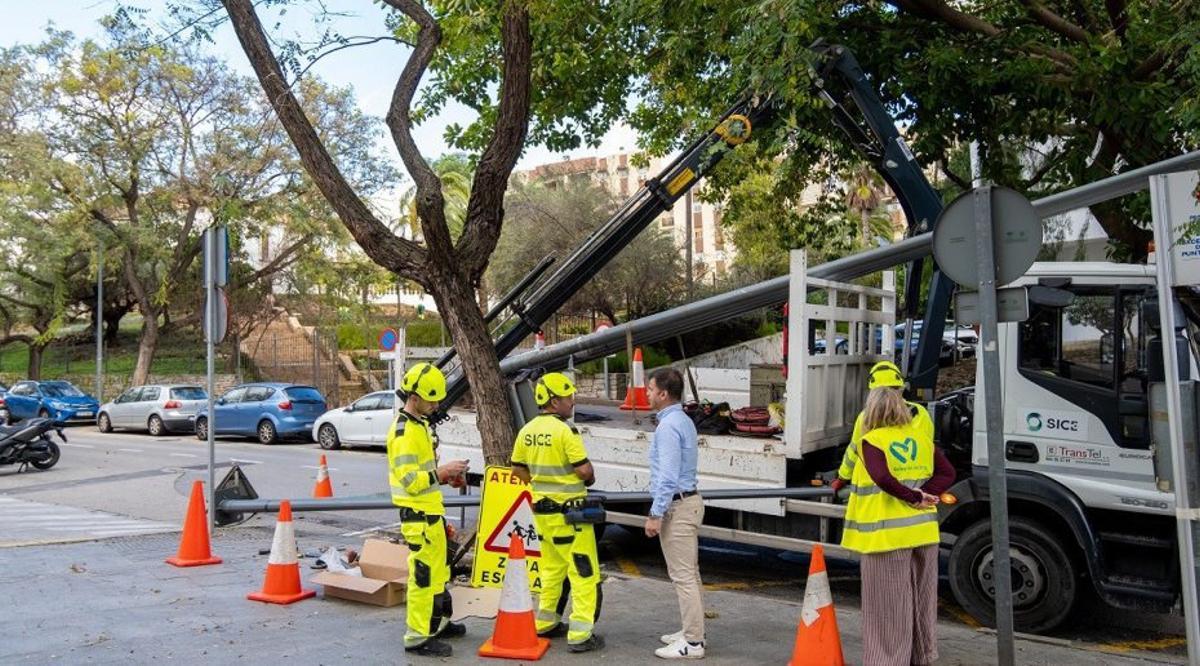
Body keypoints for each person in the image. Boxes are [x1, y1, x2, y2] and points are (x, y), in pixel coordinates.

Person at [841, 382, 956, 666]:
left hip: (886, 538)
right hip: (924, 534)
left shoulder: (874, 440)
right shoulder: (919, 438)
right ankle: (922, 656)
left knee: (887, 609)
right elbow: (948, 472)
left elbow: (881, 477)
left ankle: (888, 661)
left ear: (873, 411)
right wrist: (925, 492)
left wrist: (913, 496)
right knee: (921, 602)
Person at [510, 372, 604, 653]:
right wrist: (586, 479)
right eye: (567, 397)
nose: (572, 401)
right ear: (553, 400)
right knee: (583, 573)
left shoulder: (527, 430)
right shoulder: (566, 431)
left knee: (552, 570)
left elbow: (517, 469)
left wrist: (540, 482)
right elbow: (584, 470)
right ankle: (581, 634)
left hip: (543, 515)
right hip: (571, 516)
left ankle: (546, 622)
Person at [387, 362, 470, 658]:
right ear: (414, 397)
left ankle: (438, 623)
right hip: (418, 518)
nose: (435, 405)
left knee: (437, 574)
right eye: (431, 399)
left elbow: (424, 475)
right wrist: (442, 472)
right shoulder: (405, 432)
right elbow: (411, 481)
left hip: (429, 515)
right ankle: (418, 637)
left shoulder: (418, 425)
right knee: (423, 579)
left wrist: (445, 476)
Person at [644, 367, 706, 660]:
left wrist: (656, 514)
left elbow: (667, 476)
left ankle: (693, 643)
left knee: (683, 577)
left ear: (663, 394)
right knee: (690, 575)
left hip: (677, 507)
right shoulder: (683, 420)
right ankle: (691, 632)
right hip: (687, 502)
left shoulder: (668, 427)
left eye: (650, 389)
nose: (647, 393)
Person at [832, 360, 933, 492]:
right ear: (900, 388)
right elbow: (928, 449)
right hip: (916, 488)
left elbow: (855, 451)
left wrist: (842, 478)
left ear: (872, 391)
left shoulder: (866, 417)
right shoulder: (920, 413)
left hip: (874, 491)